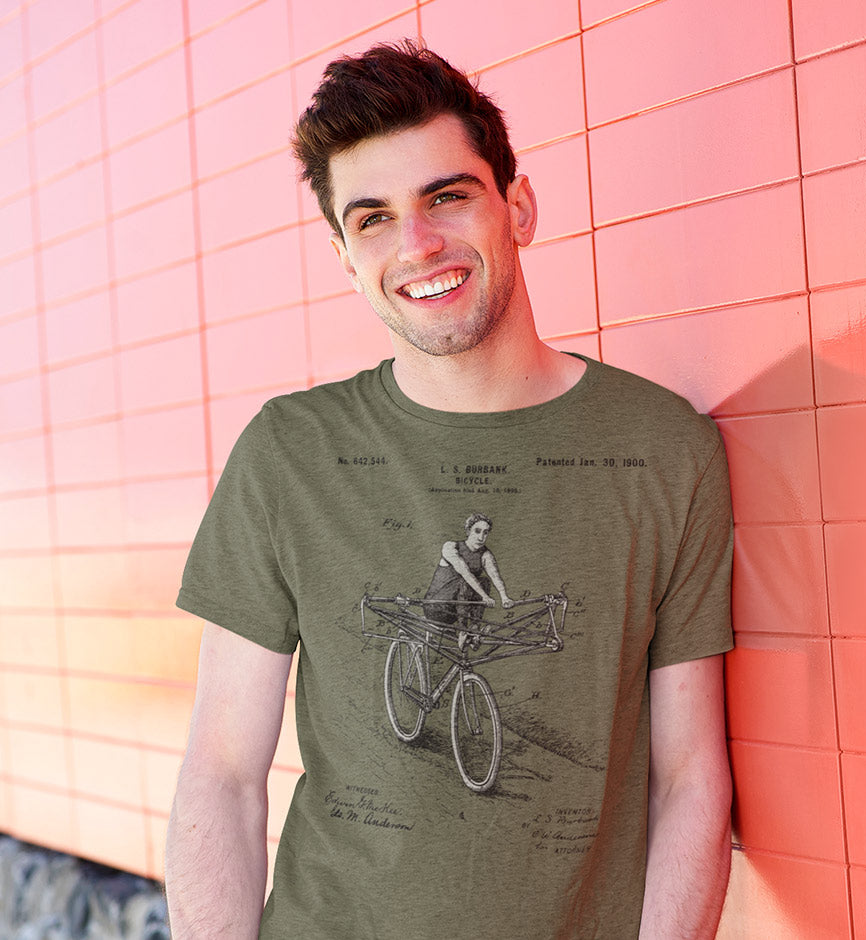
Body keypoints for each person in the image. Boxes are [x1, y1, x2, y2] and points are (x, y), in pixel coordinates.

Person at [165, 40, 734, 939]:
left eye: (446, 196)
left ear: (519, 205)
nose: (418, 244)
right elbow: (224, 776)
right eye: (373, 219)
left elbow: (692, 779)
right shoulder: (291, 454)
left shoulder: (663, 451)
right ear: (347, 256)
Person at [423, 512, 513, 628]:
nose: (481, 537)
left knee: (485, 581)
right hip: (435, 607)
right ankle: (463, 629)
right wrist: (485, 597)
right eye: (477, 531)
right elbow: (465, 573)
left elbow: (495, 577)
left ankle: (474, 627)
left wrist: (504, 597)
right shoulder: (451, 547)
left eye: (485, 533)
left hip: (455, 611)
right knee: (465, 582)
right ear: (468, 531)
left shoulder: (485, 554)